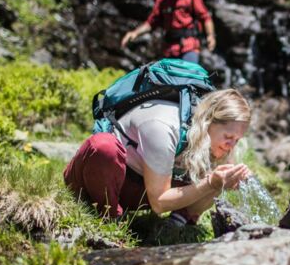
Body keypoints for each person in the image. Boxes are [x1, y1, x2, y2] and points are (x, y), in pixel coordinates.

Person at [63, 89, 251, 226]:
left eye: (237, 140)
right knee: (104, 147)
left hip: (138, 188)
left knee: (220, 174)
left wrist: (226, 179)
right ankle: (110, 219)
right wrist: (211, 183)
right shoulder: (163, 126)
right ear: (209, 121)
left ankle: (178, 222)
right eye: (228, 137)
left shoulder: (206, 135)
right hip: (98, 180)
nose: (231, 145)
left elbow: (214, 182)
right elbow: (160, 203)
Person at [120, 0, 216, 63]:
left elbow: (205, 17)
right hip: (169, 49)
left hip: (189, 47)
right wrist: (135, 33)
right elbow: (151, 22)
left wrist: (210, 36)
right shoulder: (162, 0)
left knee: (189, 75)